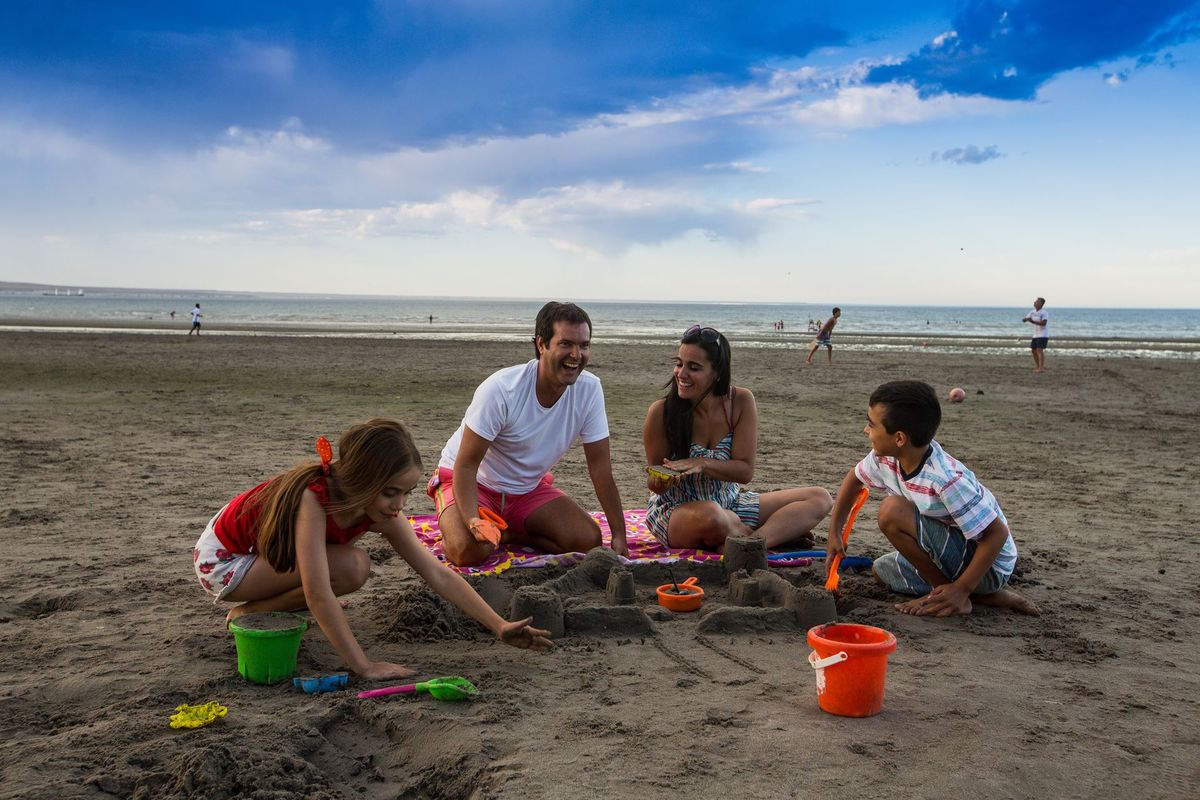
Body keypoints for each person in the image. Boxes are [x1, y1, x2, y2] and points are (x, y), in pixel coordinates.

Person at [192, 419, 552, 679]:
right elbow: (318, 593)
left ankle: (270, 604)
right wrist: (364, 666)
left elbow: (437, 573)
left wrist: (498, 625)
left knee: (351, 568)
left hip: (263, 557)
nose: (400, 504)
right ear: (362, 482)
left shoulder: (376, 506)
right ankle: (248, 612)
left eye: (406, 493)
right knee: (349, 568)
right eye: (391, 492)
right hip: (224, 562)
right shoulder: (312, 499)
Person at [430, 301, 627, 567]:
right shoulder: (502, 389)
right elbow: (465, 465)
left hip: (526, 491)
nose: (576, 355)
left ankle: (508, 533)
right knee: (468, 551)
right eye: (566, 344)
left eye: (584, 345)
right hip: (471, 482)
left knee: (588, 540)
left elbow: (601, 469)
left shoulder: (590, 390)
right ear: (541, 344)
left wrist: (619, 535)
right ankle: (468, 525)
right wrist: (472, 521)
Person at [825, 380, 1038, 617]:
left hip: (989, 565)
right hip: (952, 555)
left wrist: (961, 588)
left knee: (891, 511)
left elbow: (996, 534)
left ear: (899, 439)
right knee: (881, 570)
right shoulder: (885, 457)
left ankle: (955, 593)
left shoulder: (944, 480)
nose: (866, 430)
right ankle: (981, 596)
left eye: (871, 424)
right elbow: (854, 479)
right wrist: (835, 531)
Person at [642, 325, 833, 551]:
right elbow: (655, 485)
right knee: (712, 515)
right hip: (680, 512)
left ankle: (750, 543)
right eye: (679, 363)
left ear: (718, 372)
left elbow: (745, 472)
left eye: (693, 367)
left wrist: (702, 464)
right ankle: (764, 538)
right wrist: (661, 480)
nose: (681, 374)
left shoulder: (740, 401)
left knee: (820, 498)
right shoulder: (661, 412)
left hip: (732, 505)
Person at [1022, 297, 1048, 373]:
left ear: (1040, 304)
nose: (1034, 302)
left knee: (1039, 350)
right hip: (1035, 335)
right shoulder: (1032, 312)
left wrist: (1032, 321)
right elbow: (1025, 319)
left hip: (1043, 335)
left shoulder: (1044, 312)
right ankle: (1037, 366)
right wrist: (1025, 319)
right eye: (1035, 301)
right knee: (1033, 351)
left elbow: (1044, 323)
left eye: (1036, 301)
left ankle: (1041, 368)